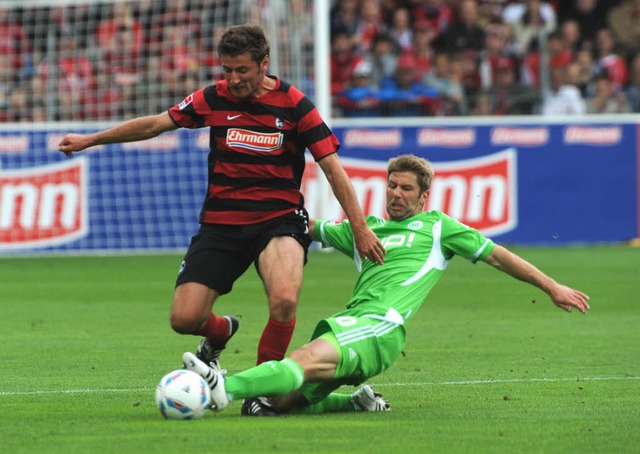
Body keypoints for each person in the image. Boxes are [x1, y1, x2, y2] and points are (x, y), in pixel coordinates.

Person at [58, 24, 384, 414]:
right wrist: (89, 140)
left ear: (264, 63)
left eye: (242, 70)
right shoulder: (213, 98)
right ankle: (221, 331)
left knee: (284, 298)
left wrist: (360, 228)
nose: (233, 79)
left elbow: (333, 169)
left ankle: (263, 393)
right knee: (184, 318)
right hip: (222, 223)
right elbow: (155, 124)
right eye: (227, 69)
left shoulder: (296, 105)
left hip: (278, 220)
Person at [182, 154, 591, 416]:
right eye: (391, 185)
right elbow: (302, 227)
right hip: (353, 322)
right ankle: (354, 402)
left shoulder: (438, 228)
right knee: (273, 405)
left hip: (380, 325)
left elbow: (499, 256)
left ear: (423, 197)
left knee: (301, 360)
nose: (396, 194)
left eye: (406, 188)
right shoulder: (366, 231)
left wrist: (552, 286)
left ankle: (222, 387)